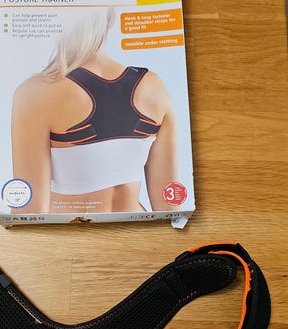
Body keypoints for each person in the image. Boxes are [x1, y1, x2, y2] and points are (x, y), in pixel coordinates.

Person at [11, 8, 178, 214]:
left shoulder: (36, 93)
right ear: (111, 18)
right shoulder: (153, 85)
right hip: (135, 227)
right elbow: (170, 208)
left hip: (77, 231)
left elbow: (29, 212)